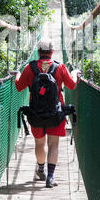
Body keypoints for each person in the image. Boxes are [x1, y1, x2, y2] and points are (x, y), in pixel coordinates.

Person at [14, 37, 80, 188]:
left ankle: (41, 169)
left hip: (35, 113)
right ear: (52, 52)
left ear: (38, 52)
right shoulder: (61, 67)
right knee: (53, 144)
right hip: (56, 113)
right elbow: (71, 85)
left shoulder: (29, 68)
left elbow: (19, 87)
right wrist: (74, 72)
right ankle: (50, 177)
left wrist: (17, 74)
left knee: (39, 142)